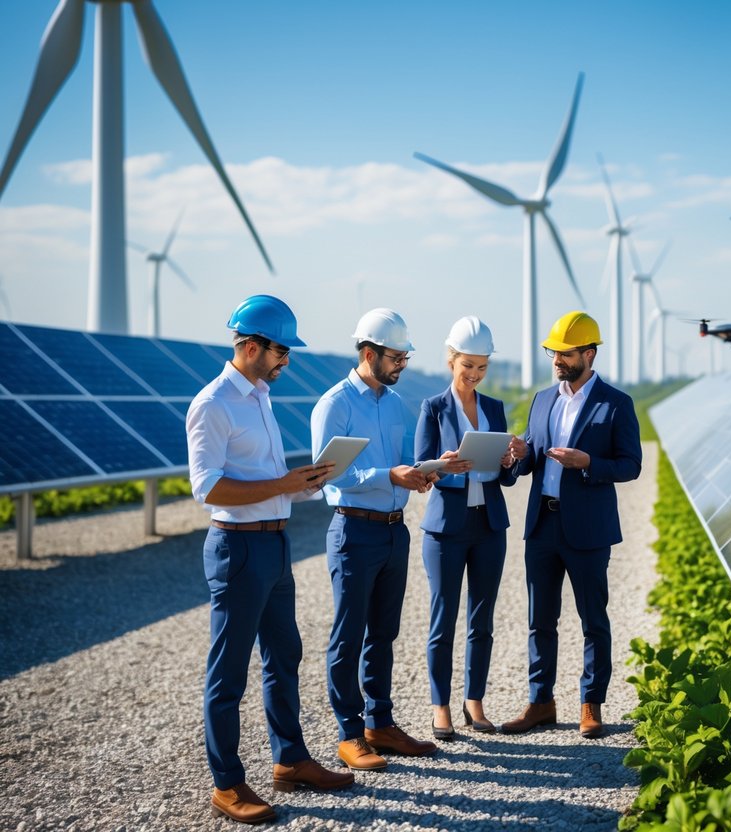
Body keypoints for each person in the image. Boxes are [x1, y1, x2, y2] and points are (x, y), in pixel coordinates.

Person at [187, 294, 353, 825]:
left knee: (285, 654)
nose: (288, 361)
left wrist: (302, 484)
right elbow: (206, 487)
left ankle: (291, 761)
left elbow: (267, 480)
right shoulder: (212, 404)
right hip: (237, 548)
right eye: (282, 351)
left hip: (275, 543)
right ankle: (227, 783)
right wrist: (281, 484)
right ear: (252, 346)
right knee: (228, 671)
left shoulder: (260, 395)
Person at [500, 311, 642, 739]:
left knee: (592, 620)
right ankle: (540, 703)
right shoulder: (543, 399)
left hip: (587, 530)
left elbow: (631, 465)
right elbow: (533, 458)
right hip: (542, 523)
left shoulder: (616, 403)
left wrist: (589, 464)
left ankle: (591, 704)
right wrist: (520, 455)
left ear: (588, 353)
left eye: (564, 353)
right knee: (539, 619)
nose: (557, 359)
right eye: (553, 352)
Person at [310, 308, 441, 771]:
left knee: (383, 633)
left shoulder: (393, 404)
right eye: (396, 358)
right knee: (348, 635)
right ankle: (349, 733)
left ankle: (379, 723)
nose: (402, 365)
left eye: (405, 358)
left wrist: (424, 473)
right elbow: (328, 477)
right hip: (353, 531)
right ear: (369, 353)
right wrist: (388, 474)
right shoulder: (334, 405)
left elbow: (403, 460)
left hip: (392, 532)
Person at [414, 317, 527, 739]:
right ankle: (440, 705)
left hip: (489, 524)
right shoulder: (433, 408)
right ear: (450, 360)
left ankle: (474, 701)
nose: (475, 374)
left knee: (482, 618)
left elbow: (508, 476)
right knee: (443, 619)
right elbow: (421, 471)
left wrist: (508, 462)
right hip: (446, 527)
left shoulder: (494, 408)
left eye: (482, 367)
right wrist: (444, 466)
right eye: (467, 366)